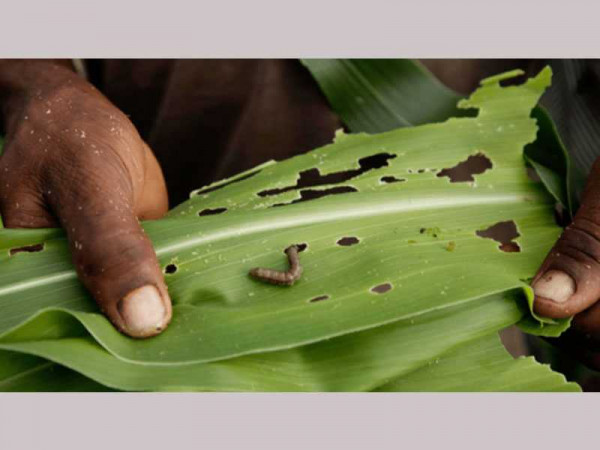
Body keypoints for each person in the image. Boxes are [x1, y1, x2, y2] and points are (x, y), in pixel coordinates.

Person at [1, 60, 600, 352]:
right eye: (287, 264)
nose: (286, 268)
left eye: (287, 264)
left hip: (471, 297)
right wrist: (36, 79)